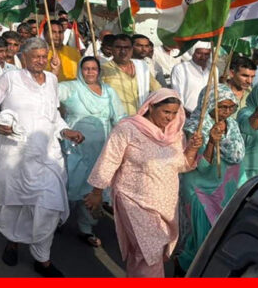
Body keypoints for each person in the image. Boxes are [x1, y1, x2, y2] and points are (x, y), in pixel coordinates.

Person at [0, 37, 85, 277]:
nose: (41, 61)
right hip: (16, 156)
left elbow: (54, 117)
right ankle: (12, 242)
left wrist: (66, 131)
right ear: (23, 57)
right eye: (36, 57)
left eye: (44, 57)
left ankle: (42, 258)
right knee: (16, 205)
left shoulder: (52, 80)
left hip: (47, 156)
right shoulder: (10, 79)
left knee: (49, 207)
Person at [86, 89, 203, 277]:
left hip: (165, 204)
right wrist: (97, 193)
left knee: (146, 254)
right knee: (149, 253)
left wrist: (192, 149)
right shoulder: (127, 129)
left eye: (174, 113)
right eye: (166, 112)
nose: (170, 118)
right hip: (133, 200)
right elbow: (109, 160)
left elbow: (181, 165)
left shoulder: (175, 135)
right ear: (151, 107)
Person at [58, 57, 126, 248]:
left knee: (94, 186)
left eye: (94, 69)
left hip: (101, 148)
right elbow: (49, 94)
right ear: (80, 70)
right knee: (69, 183)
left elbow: (119, 116)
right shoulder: (71, 87)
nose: (90, 72)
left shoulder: (109, 91)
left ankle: (85, 228)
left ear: (99, 71)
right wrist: (54, 73)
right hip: (74, 147)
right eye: (86, 68)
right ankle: (57, 221)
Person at [178, 84, 246, 271]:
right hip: (200, 190)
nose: (226, 112)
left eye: (230, 107)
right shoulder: (195, 128)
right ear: (209, 105)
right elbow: (200, 166)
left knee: (220, 239)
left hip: (223, 190)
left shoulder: (232, 125)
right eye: (221, 107)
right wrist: (211, 142)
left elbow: (237, 156)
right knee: (199, 241)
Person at [101, 34, 161, 116]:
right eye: (118, 47)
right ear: (112, 49)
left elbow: (157, 90)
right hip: (116, 120)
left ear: (132, 49)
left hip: (140, 119)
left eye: (127, 48)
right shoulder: (103, 70)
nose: (123, 51)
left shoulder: (141, 67)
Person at [171, 42, 212, 116]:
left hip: (208, 116)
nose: (203, 57)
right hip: (187, 115)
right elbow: (176, 94)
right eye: (199, 53)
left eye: (206, 54)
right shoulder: (180, 69)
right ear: (193, 52)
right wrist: (185, 113)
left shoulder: (213, 70)